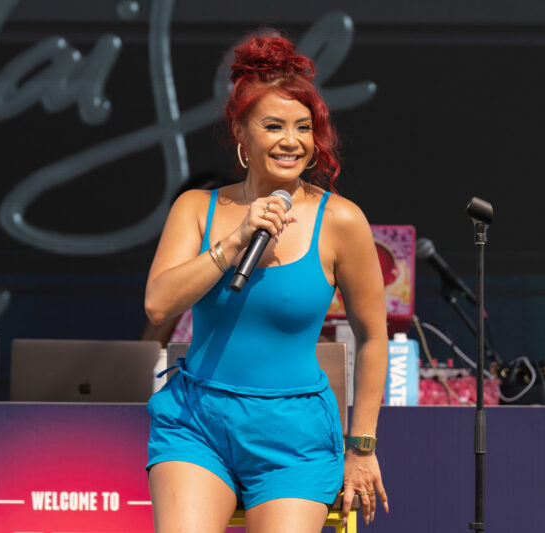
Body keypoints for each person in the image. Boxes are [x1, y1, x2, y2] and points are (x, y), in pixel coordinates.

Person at [145, 32, 389, 532]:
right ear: (241, 132)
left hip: (293, 434)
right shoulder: (197, 208)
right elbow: (158, 305)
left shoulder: (341, 220)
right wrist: (234, 242)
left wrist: (361, 447)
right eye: (273, 126)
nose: (291, 141)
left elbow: (373, 337)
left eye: (303, 127)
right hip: (197, 422)